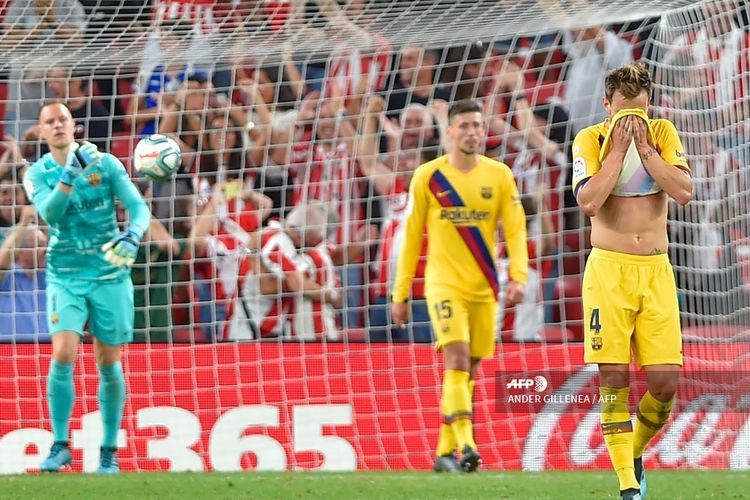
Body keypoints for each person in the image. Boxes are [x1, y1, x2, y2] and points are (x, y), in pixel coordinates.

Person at [571, 63, 692, 500]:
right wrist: (619, 152)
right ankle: (627, 487)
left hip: (656, 272)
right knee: (613, 382)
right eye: (624, 114)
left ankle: (633, 452)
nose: (632, 122)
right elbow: (588, 201)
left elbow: (682, 191)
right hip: (609, 272)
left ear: (650, 106)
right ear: (607, 107)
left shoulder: (661, 133)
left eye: (639, 113)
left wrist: (647, 151)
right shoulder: (590, 140)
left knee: (664, 386)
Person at [391, 99, 528, 473]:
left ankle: (442, 452)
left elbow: (514, 229)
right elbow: (412, 236)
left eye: (477, 126)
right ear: (449, 131)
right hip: (443, 285)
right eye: (464, 126)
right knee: (456, 358)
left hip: (485, 285)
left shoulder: (499, 175)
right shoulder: (429, 177)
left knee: (471, 367)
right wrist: (400, 293)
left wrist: (519, 275)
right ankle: (467, 445)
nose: (472, 132)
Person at [23, 101, 151, 473]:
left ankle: (109, 450)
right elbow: (50, 213)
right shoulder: (36, 173)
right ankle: (60, 444)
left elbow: (139, 208)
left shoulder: (106, 164)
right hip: (65, 274)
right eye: (50, 122)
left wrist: (131, 236)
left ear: (74, 125)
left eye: (63, 118)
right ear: (42, 132)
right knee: (63, 353)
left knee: (109, 362)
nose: (58, 125)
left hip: (109, 274)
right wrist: (69, 173)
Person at [0, 205, 49, 342]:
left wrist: (41, 216)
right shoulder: (7, 277)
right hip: (11, 352)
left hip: (48, 351)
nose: (45, 251)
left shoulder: (47, 275)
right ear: (20, 251)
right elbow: (2, 262)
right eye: (39, 245)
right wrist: (24, 223)